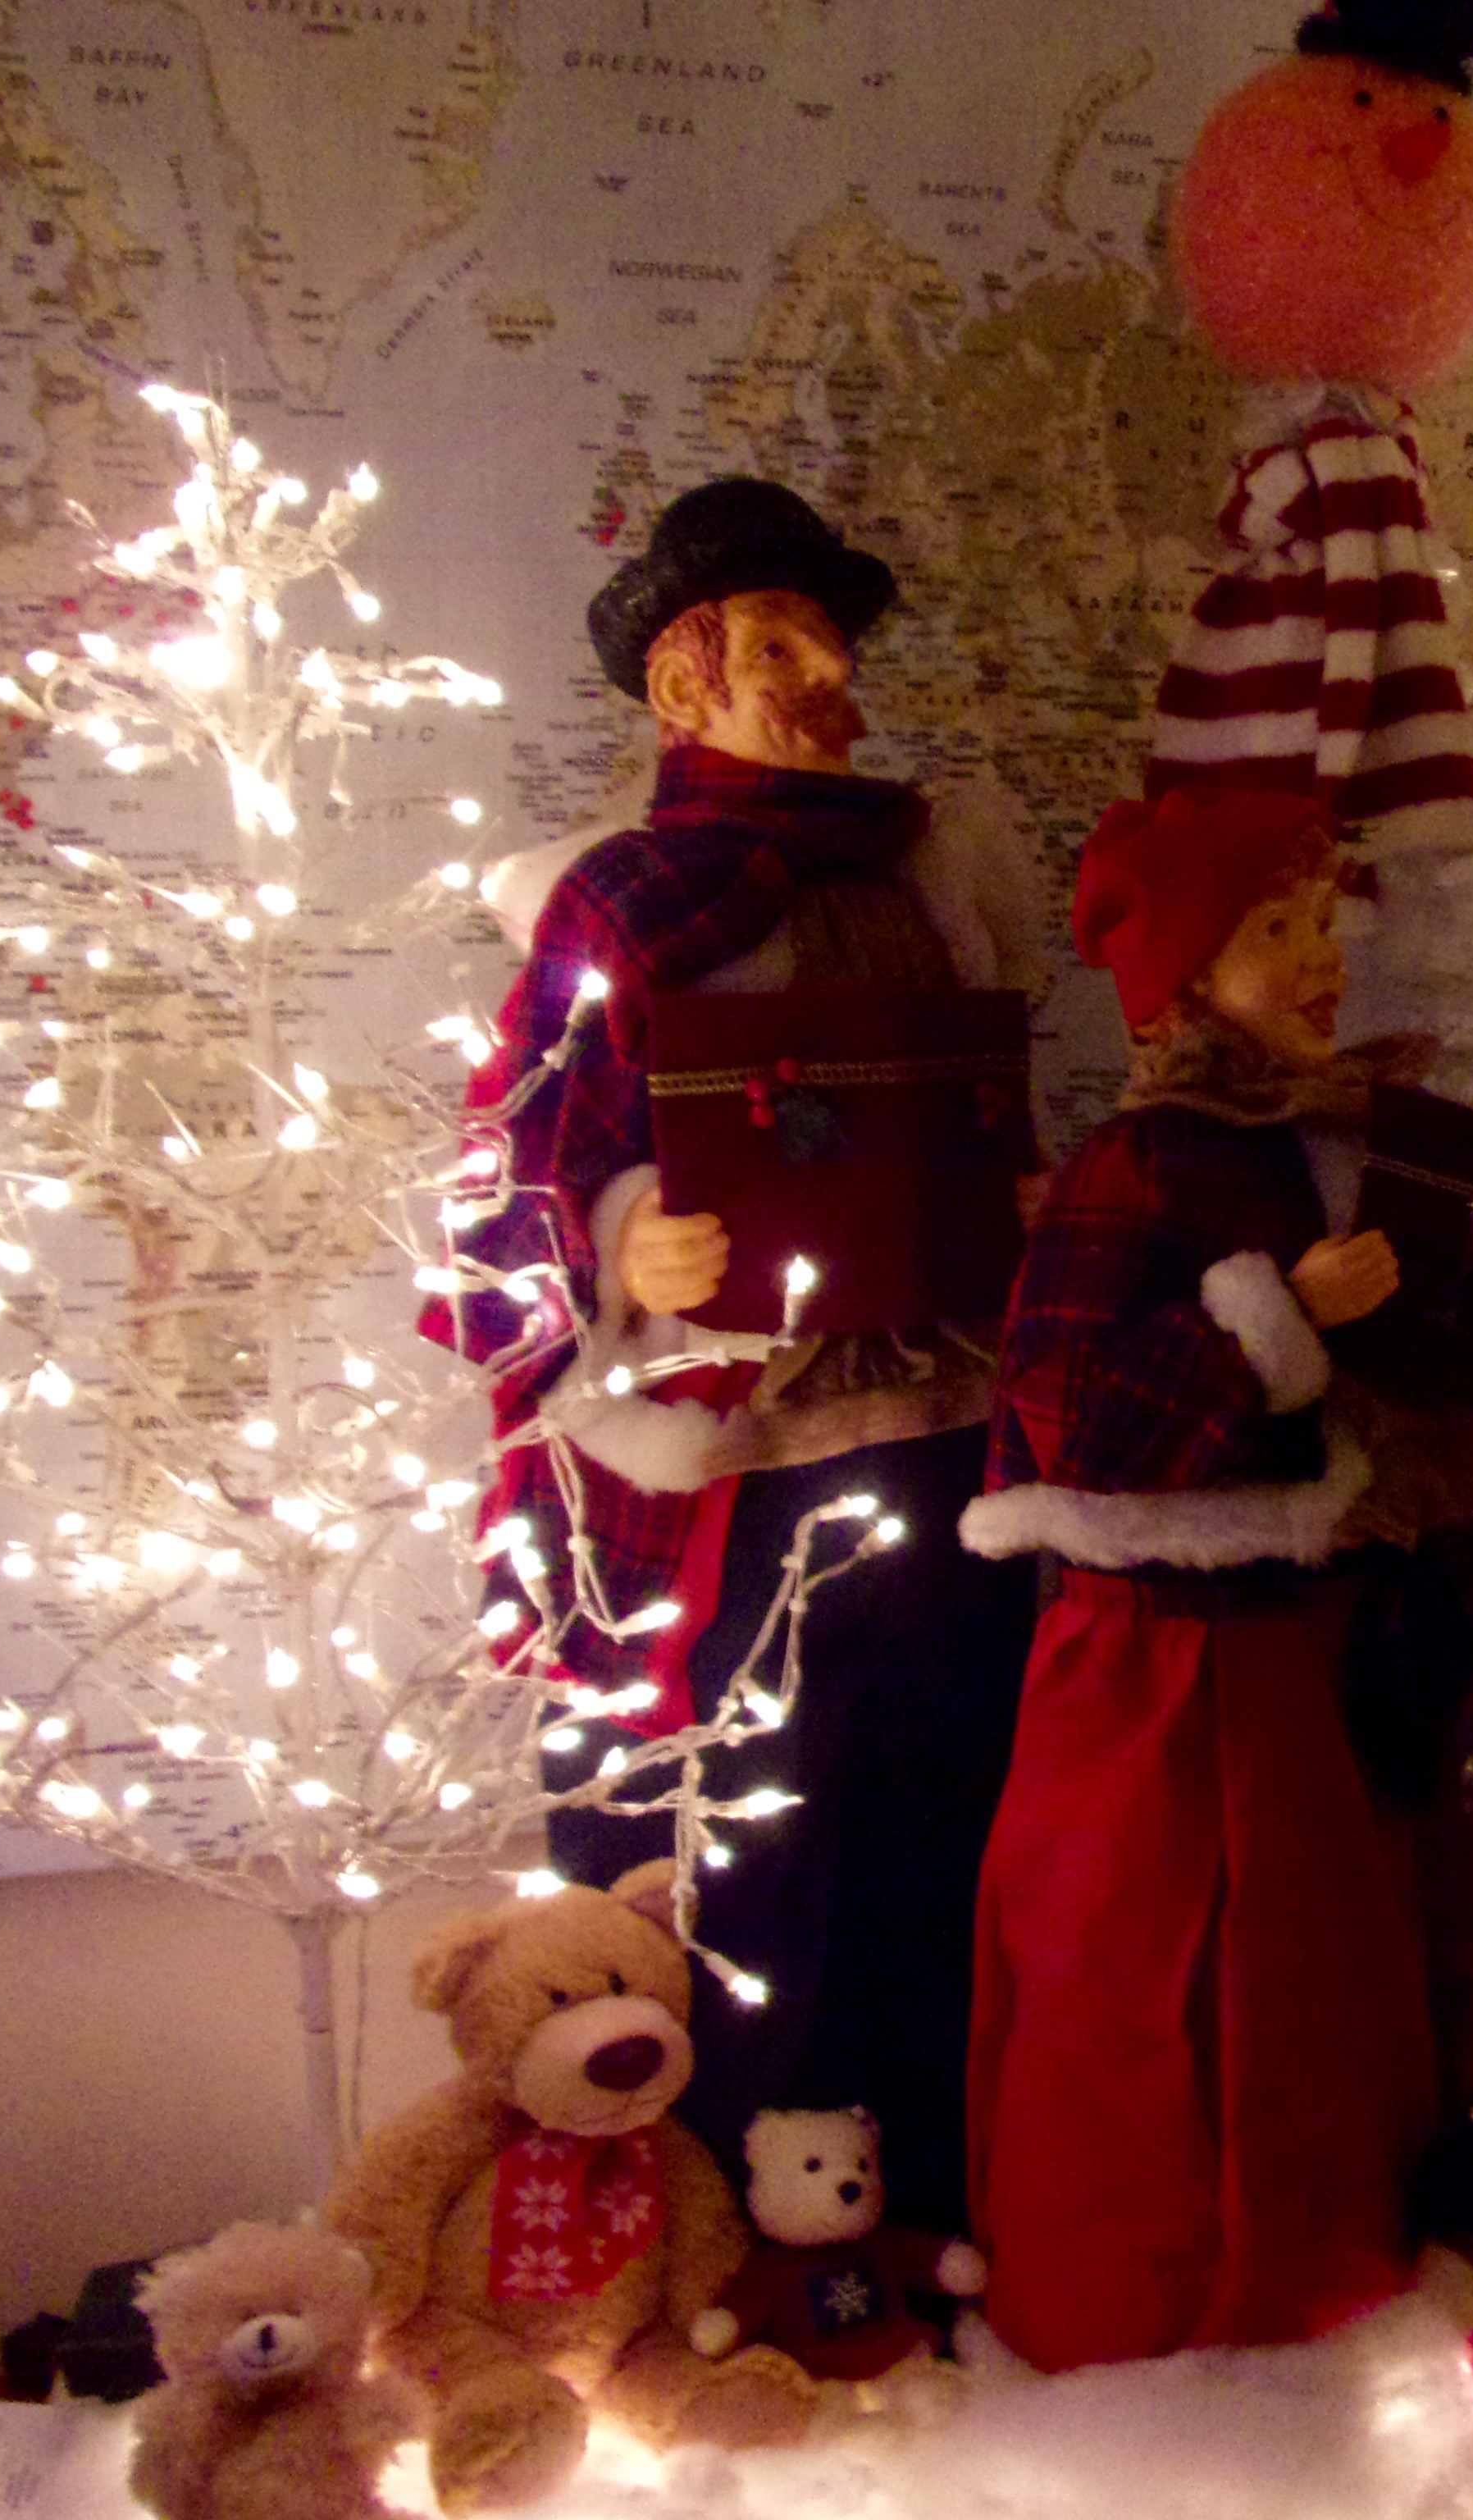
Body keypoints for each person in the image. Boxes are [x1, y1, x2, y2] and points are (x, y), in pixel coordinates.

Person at [427, 477, 1039, 2235]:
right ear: (681, 681)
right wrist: (627, 1239)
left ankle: (927, 2191)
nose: (823, 679)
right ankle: (712, 2224)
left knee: (944, 1808)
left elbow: (978, 1095)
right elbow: (516, 1162)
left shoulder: (932, 872)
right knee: (738, 1847)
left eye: (831, 645)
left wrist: (1018, 1195)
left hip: (942, 1432)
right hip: (739, 1460)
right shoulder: (619, 902)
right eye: (778, 645)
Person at [955, 785, 1463, 2371]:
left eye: (1323, 924)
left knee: (1301, 1983)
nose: (1322, 960)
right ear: (1183, 977)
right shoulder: (1138, 1161)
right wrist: (1279, 1316)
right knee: (1142, 1985)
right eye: (1275, 931)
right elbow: (1073, 1423)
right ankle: (1141, 2311)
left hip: (1286, 1643)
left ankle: (1311, 2281)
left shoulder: (1314, 1138)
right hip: (1158, 1666)